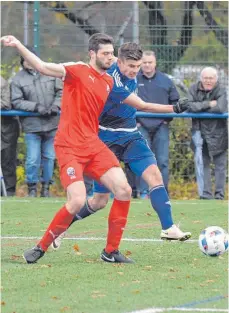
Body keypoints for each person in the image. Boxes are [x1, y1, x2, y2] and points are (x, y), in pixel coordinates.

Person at [1, 34, 188, 264]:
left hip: (95, 144)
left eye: (112, 53)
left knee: (124, 190)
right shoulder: (76, 70)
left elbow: (136, 104)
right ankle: (41, 247)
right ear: (92, 53)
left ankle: (111, 251)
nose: (110, 57)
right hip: (69, 145)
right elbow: (41, 66)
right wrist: (18, 45)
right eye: (106, 53)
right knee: (79, 201)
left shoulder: (109, 82)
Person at [51, 42, 191, 252]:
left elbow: (117, 57)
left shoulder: (123, 63)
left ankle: (168, 227)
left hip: (130, 135)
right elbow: (142, 105)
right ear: (121, 62)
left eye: (139, 66)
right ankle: (61, 228)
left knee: (154, 175)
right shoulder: (112, 80)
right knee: (99, 201)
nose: (136, 71)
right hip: (104, 138)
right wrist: (174, 108)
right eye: (131, 67)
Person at [11, 46, 63, 197]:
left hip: (52, 124)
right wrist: (36, 107)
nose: (28, 61)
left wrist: (56, 105)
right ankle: (32, 188)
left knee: (50, 157)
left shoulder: (50, 73)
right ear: (22, 61)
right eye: (25, 59)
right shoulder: (18, 79)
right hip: (32, 126)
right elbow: (16, 101)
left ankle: (46, 188)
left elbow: (62, 91)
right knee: (33, 159)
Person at [136, 51, 180, 196]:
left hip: (162, 125)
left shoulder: (166, 80)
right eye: (144, 62)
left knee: (162, 161)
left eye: (150, 62)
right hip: (140, 125)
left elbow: (176, 102)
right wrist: (135, 122)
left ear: (155, 63)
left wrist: (166, 120)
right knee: (143, 160)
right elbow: (125, 102)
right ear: (140, 63)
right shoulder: (133, 80)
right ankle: (143, 192)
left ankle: (162, 192)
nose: (147, 65)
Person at [187, 67, 228, 200]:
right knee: (202, 163)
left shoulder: (221, 90)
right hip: (199, 132)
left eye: (211, 78)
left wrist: (200, 107)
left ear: (216, 80)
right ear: (201, 78)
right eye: (206, 78)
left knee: (220, 166)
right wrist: (209, 104)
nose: (208, 81)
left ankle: (219, 195)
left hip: (218, 133)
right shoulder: (193, 89)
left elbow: (221, 108)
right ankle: (206, 195)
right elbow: (190, 107)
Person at [1, 76, 20, 196]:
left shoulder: (2, 82)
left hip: (6, 129)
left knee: (7, 160)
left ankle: (9, 191)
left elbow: (6, 103)